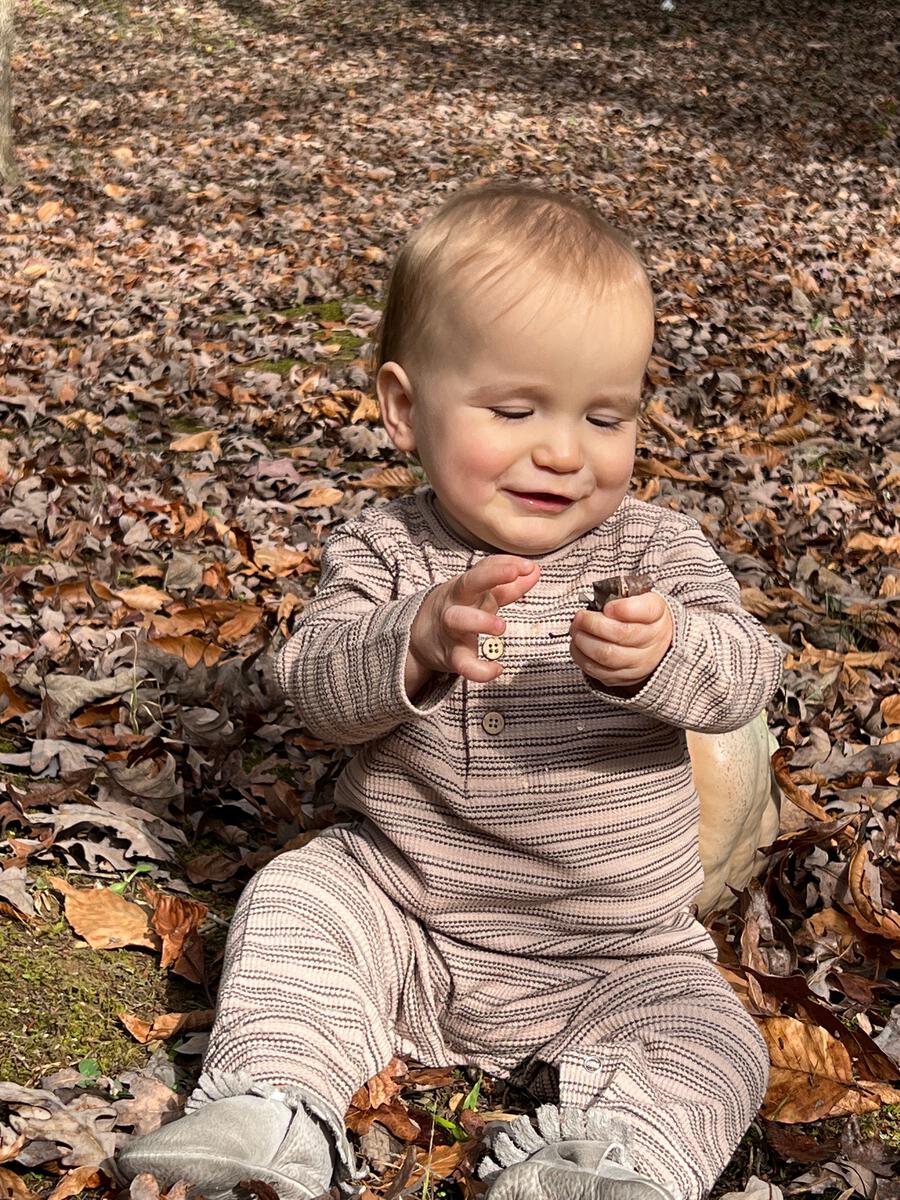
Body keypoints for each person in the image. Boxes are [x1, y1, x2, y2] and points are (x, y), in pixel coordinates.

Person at [115, 182, 784, 1200]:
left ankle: (615, 1164)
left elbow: (746, 675)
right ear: (402, 407)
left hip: (615, 952)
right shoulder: (386, 548)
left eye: (606, 416)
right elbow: (315, 688)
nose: (563, 451)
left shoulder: (655, 546)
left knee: (716, 1035)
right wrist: (412, 640)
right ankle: (275, 1110)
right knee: (297, 898)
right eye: (515, 410)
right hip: (406, 915)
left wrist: (669, 653)